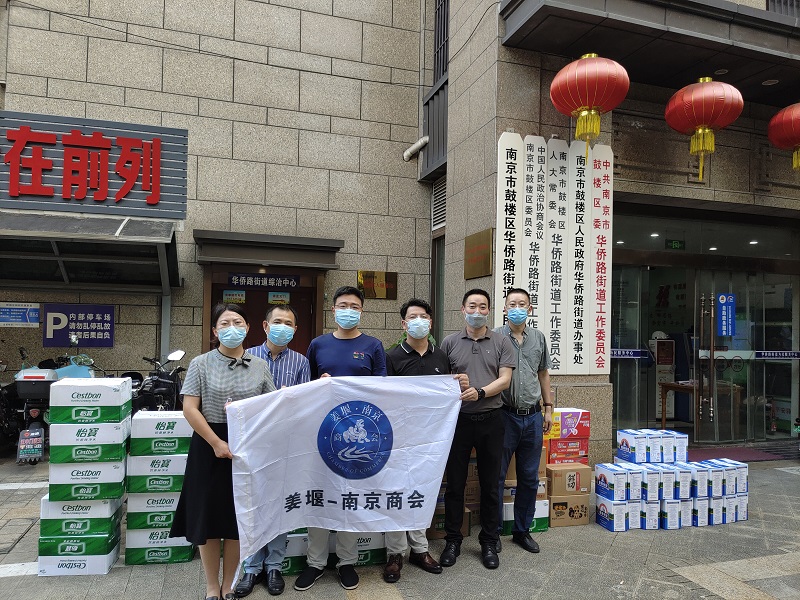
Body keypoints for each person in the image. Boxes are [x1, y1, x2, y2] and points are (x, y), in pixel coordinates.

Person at [170, 304, 276, 600]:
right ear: (215, 331)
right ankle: (210, 585)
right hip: (208, 446)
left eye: (238, 322)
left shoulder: (259, 365)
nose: (232, 328)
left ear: (248, 328)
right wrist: (216, 442)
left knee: (235, 519)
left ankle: (229, 583)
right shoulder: (200, 363)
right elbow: (190, 408)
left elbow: (271, 407)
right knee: (208, 519)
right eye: (225, 323)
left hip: (245, 448)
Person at [294, 286, 388, 592]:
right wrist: (319, 384)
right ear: (333, 310)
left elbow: (384, 389)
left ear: (362, 311)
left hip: (359, 439)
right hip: (323, 432)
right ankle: (315, 562)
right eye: (343, 305)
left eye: (354, 306)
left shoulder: (373, 345)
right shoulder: (318, 344)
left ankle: (347, 561)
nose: (349, 310)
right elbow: (305, 386)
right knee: (319, 494)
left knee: (351, 496)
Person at [383, 298, 470, 584]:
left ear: (430, 322)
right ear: (403, 323)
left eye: (423, 316)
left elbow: (447, 395)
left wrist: (459, 385)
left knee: (422, 490)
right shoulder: (391, 357)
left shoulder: (441, 357)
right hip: (398, 438)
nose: (418, 321)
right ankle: (395, 554)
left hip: (430, 439)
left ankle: (420, 549)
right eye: (412, 317)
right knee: (396, 493)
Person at [234, 304, 311, 597]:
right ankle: (251, 567)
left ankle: (275, 566)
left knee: (280, 504)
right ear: (265, 326)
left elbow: (304, 405)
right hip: (253, 444)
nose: (283, 327)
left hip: (286, 444)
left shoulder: (301, 362)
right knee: (254, 504)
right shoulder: (246, 356)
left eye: (288, 323)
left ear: (295, 330)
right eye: (277, 322)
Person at [439, 289, 514, 570]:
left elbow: (505, 380)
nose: (477, 311)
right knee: (455, 484)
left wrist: (480, 392)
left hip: (492, 420)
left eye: (483, 307)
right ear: (462, 309)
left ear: (489, 311)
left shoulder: (501, 341)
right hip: (458, 422)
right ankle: (453, 540)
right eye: (472, 306)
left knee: (491, 484)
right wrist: (453, 381)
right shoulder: (449, 342)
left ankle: (489, 541)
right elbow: (441, 379)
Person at [494, 288, 553, 554]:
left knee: (529, 478)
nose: (517, 308)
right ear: (505, 308)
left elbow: (543, 374)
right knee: (496, 476)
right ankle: (493, 532)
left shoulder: (538, 337)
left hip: (532, 416)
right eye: (512, 304)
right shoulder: (495, 336)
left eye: (522, 304)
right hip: (504, 415)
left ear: (529, 309)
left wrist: (548, 408)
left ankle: (522, 530)